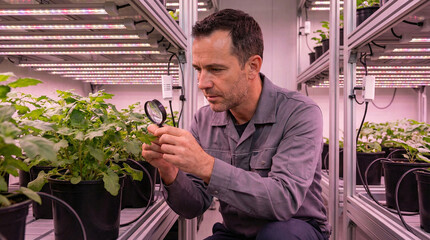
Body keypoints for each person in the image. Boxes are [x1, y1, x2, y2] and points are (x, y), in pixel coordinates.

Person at [142, 8, 330, 240]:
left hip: (295, 228)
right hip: (236, 232)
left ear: (252, 67)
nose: (202, 83)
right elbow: (193, 206)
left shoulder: (299, 112)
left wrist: (206, 166)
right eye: (198, 69)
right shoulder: (203, 120)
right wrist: (168, 169)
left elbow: (283, 201)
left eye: (216, 69)